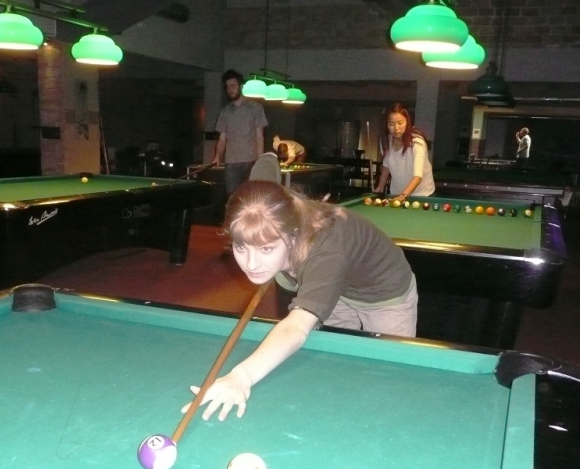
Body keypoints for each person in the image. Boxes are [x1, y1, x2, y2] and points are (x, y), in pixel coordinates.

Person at [184, 180, 418, 421]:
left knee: (392, 376)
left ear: (293, 236)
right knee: (335, 363)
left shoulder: (325, 254)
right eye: (241, 247)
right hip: (335, 286)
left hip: (384, 290)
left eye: (266, 249)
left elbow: (295, 327)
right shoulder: (288, 225)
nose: (251, 264)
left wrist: (241, 376)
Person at [212, 70, 268, 197]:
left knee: (250, 196)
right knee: (232, 197)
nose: (230, 90)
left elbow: (259, 136)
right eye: (228, 87)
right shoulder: (225, 111)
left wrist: (260, 160)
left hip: (250, 160)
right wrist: (218, 155)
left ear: (241, 86)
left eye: (233, 86)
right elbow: (222, 139)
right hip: (231, 162)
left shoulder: (255, 108)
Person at [373, 103, 435, 202]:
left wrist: (403, 196)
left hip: (422, 195)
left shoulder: (417, 143)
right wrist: (380, 187)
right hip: (396, 194)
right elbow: (386, 165)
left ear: (407, 122)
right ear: (387, 125)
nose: (396, 128)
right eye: (391, 124)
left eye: (400, 123)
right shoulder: (387, 141)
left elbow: (418, 177)